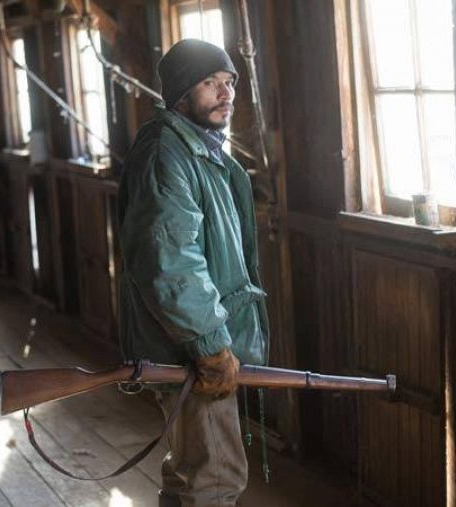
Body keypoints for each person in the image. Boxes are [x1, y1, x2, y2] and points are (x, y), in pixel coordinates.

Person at [116, 39, 270, 507]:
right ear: (181, 94)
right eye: (209, 83)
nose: (225, 94)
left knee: (193, 477)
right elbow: (171, 261)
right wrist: (210, 346)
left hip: (195, 345)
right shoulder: (168, 155)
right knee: (215, 481)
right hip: (190, 350)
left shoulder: (199, 151)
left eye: (229, 83)